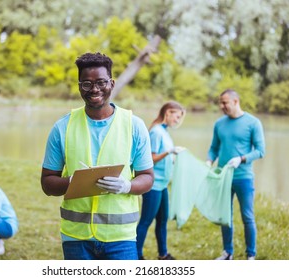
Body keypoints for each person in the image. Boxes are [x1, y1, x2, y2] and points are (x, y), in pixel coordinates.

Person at [40, 52, 154, 260]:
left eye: (101, 82)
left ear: (111, 83)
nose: (94, 89)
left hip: (121, 238)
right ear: (79, 86)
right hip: (76, 238)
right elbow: (47, 184)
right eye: (87, 84)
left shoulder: (134, 126)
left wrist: (127, 186)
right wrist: (72, 182)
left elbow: (147, 177)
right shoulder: (62, 128)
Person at [207, 89, 265, 260]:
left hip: (243, 177)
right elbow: (213, 148)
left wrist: (242, 159)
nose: (221, 106)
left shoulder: (253, 123)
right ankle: (228, 252)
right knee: (226, 216)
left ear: (236, 101)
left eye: (225, 102)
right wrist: (209, 161)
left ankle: (251, 255)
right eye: (220, 102)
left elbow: (261, 151)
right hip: (223, 177)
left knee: (247, 216)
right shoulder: (219, 124)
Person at [136, 101, 185, 260]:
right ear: (168, 113)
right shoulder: (156, 132)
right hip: (153, 184)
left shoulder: (165, 131)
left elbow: (165, 157)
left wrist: (173, 157)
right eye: (176, 116)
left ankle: (163, 254)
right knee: (145, 221)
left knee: (163, 220)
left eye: (179, 118)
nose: (177, 120)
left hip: (163, 184)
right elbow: (151, 158)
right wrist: (169, 152)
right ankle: (136, 256)